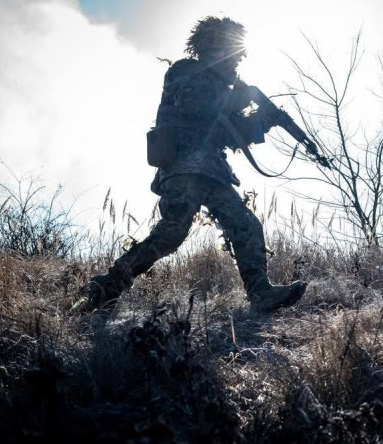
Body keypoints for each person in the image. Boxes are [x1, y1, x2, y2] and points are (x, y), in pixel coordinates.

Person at [80, 16, 307, 315]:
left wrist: (264, 121)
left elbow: (231, 133)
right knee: (171, 234)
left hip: (212, 169)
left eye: (239, 58)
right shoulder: (185, 71)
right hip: (184, 165)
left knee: (245, 224)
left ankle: (260, 293)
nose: (236, 63)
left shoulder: (223, 86)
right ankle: (107, 286)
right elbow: (196, 105)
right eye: (232, 55)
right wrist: (240, 97)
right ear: (214, 48)